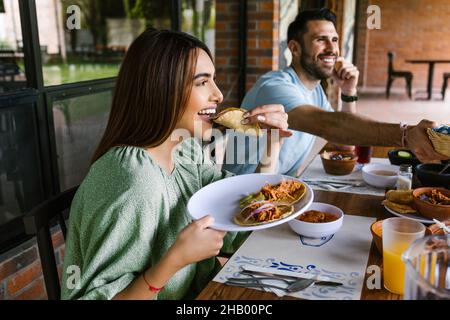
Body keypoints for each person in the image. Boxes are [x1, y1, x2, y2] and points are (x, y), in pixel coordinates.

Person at [60, 29, 291, 300]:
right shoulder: (132, 180)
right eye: (202, 82)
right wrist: (175, 260)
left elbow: (236, 218)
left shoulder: (185, 150)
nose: (217, 94)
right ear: (161, 88)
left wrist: (272, 146)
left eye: (213, 80)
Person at [222, 8, 448, 177]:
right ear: (294, 48)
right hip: (241, 197)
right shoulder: (275, 87)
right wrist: (405, 135)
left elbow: (344, 144)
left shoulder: (316, 91)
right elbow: (330, 126)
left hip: (276, 191)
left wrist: (348, 93)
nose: (332, 48)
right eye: (321, 40)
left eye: (335, 40)